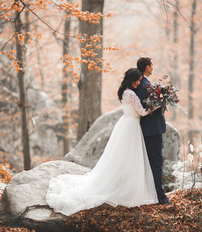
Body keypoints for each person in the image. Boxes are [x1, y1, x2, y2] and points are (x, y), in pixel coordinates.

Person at [46, 68, 158, 216]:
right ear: (131, 79)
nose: (138, 82)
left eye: (139, 80)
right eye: (136, 80)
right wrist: (156, 105)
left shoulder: (125, 92)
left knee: (125, 158)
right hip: (131, 126)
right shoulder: (131, 94)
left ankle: (125, 184)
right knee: (131, 157)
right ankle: (126, 188)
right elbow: (143, 112)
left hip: (126, 124)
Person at [135, 57, 171, 205]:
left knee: (154, 162)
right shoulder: (143, 85)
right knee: (156, 162)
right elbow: (146, 106)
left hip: (151, 128)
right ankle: (160, 196)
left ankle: (153, 193)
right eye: (151, 65)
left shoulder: (144, 83)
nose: (153, 67)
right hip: (151, 129)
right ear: (147, 67)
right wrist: (161, 103)